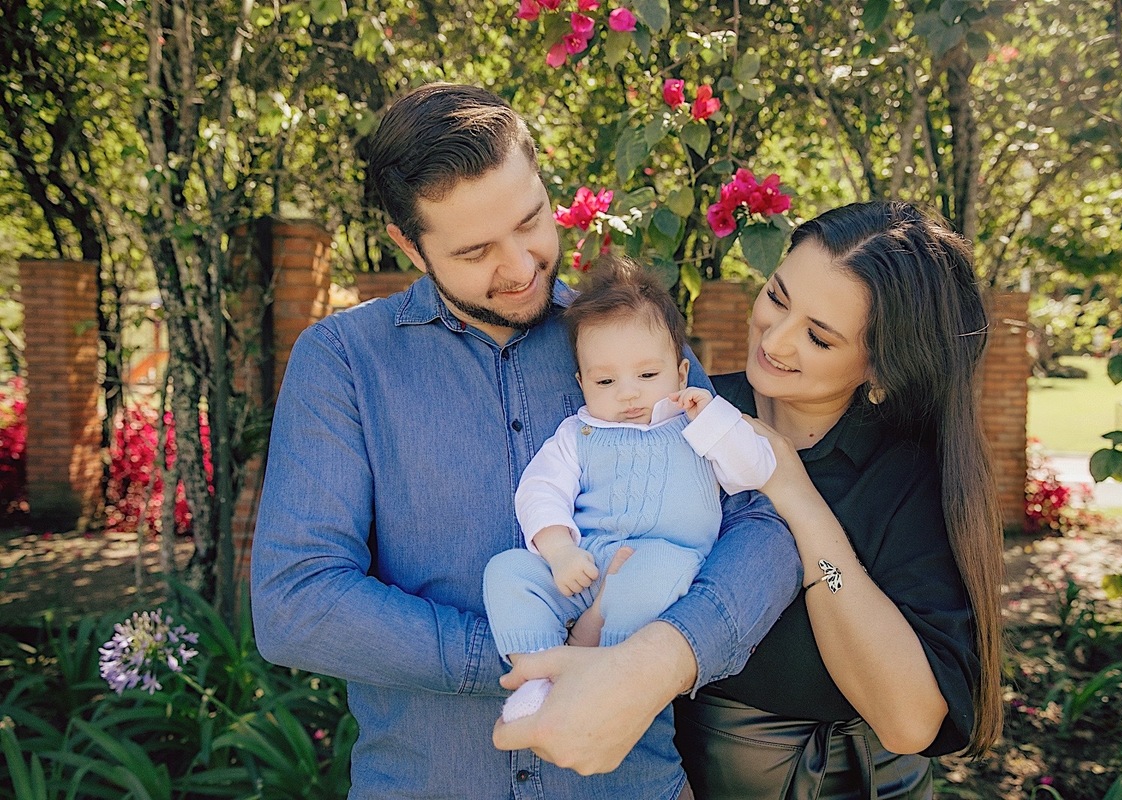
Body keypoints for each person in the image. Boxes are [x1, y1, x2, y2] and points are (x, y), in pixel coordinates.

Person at [249, 82, 800, 799]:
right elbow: (297, 600)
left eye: (531, 221)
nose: (519, 267)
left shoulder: (628, 337)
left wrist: (654, 661)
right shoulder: (344, 362)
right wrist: (530, 656)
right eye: (475, 250)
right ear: (409, 245)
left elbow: (764, 524)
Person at [672, 201, 1005, 799]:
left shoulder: (906, 477)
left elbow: (909, 721)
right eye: (777, 298)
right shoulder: (682, 418)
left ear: (880, 370)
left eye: (818, 337)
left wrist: (796, 497)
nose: (775, 339)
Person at [483, 257, 776, 722]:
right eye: (605, 380)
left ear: (681, 374)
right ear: (582, 383)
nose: (628, 393)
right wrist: (560, 552)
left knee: (646, 579)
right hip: (586, 565)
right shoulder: (577, 433)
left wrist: (714, 419)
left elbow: (754, 472)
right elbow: (540, 491)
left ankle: (613, 681)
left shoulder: (696, 426)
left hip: (664, 559)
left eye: (647, 375)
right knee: (507, 572)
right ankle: (537, 678)